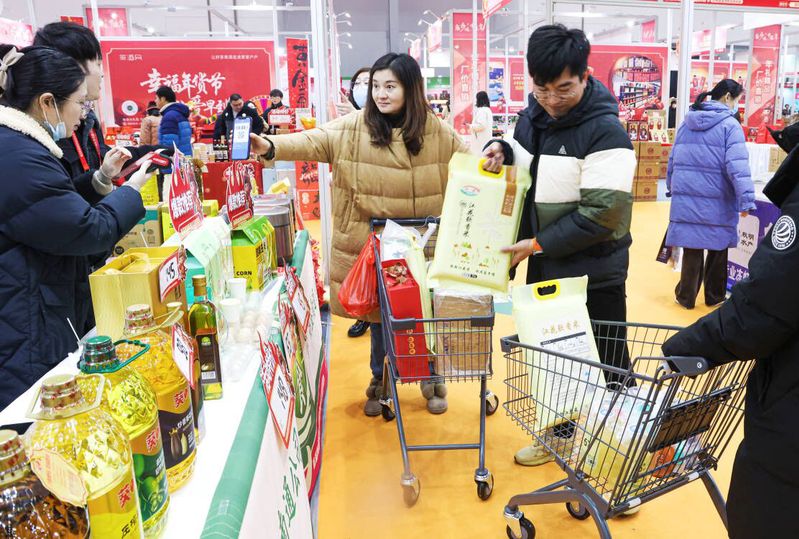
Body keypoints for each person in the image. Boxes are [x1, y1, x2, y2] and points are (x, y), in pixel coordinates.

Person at [250, 53, 469, 416]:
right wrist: (271, 146)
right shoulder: (354, 127)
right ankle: (380, 379)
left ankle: (431, 376)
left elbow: (470, 160)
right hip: (374, 246)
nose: (381, 94)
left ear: (411, 89)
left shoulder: (436, 130)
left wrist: (500, 157)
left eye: (390, 86)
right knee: (379, 316)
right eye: (375, 86)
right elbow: (313, 141)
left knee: (424, 312)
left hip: (423, 245)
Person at [481, 25, 637, 466]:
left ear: (586, 76)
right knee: (554, 358)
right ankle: (561, 436)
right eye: (542, 88)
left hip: (595, 270)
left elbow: (602, 215)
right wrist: (501, 150)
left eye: (564, 88)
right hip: (546, 261)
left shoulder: (606, 132)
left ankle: (624, 448)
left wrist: (538, 243)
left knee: (608, 360)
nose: (552, 99)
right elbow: (523, 159)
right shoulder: (532, 116)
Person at [0, 45, 152, 408]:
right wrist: (131, 193)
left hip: (34, 302)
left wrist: (101, 179)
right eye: (80, 103)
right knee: (37, 415)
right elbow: (85, 230)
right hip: (25, 319)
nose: (84, 114)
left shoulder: (21, 145)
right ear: (47, 102)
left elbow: (50, 208)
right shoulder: (18, 155)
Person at [661, 139, 799, 538]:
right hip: (718, 210)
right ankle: (707, 294)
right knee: (716, 257)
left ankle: (687, 295)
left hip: (788, 431)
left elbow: (765, 306)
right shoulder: (728, 132)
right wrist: (742, 198)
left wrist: (684, 348)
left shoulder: (687, 132)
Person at [667, 79, 754, 310]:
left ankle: (685, 297)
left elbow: (673, 159)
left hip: (687, 197)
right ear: (727, 97)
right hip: (718, 199)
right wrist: (746, 199)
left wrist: (672, 187)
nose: (736, 105)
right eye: (737, 100)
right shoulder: (730, 126)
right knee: (718, 246)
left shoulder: (687, 122)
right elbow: (738, 166)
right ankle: (714, 296)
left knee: (692, 246)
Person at [33, 22, 158, 181]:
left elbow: (104, 159)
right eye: (98, 64)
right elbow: (63, 193)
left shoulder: (88, 118)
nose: (102, 73)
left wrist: (152, 154)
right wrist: (129, 192)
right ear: (72, 67)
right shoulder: (49, 131)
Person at [335, 66, 372, 339]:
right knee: (358, 262)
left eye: (368, 82)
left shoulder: (385, 119)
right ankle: (363, 315)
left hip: (378, 200)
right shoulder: (345, 119)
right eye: (358, 82)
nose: (363, 87)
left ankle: (372, 317)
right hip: (352, 203)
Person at [156, 85, 193, 156]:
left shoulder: (169, 117)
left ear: (163, 99)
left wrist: (164, 157)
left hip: (175, 160)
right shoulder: (180, 113)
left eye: (156, 98)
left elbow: (169, 145)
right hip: (185, 156)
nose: (155, 101)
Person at [469, 90, 493, 155]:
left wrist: (470, 126)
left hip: (480, 141)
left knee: (479, 157)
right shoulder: (487, 110)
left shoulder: (482, 111)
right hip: (485, 140)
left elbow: (481, 126)